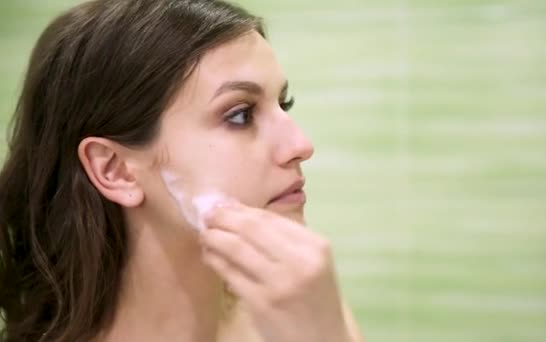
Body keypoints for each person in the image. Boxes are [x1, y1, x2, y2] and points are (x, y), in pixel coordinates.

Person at [0, 0, 364, 341]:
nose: (300, 145)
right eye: (240, 115)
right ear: (115, 170)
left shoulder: (293, 314)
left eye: (283, 104)